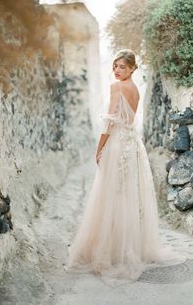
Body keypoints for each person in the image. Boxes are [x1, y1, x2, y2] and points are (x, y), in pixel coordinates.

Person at [68, 49, 185, 286]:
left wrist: (99, 148)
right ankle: (129, 248)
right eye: (115, 66)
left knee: (112, 194)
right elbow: (129, 120)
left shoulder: (117, 87)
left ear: (132, 68)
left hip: (118, 144)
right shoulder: (135, 89)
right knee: (129, 195)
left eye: (122, 66)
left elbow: (110, 121)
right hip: (133, 145)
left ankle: (112, 253)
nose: (117, 70)